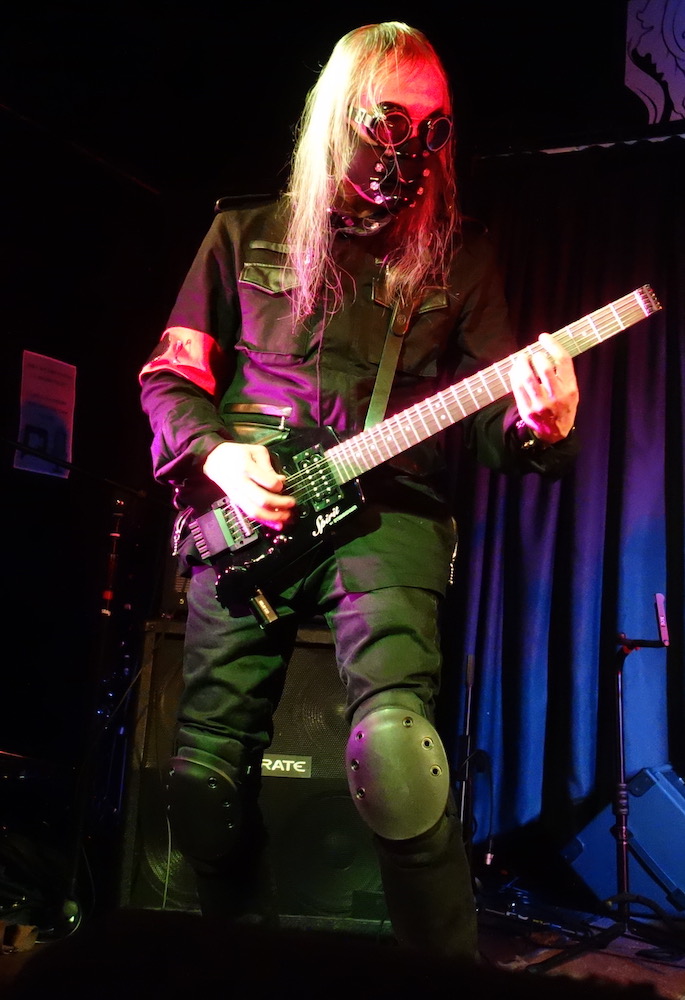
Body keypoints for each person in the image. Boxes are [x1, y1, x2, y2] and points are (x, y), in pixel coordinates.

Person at [138, 21, 579, 960]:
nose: (411, 149)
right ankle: (239, 967)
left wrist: (538, 425)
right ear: (341, 116)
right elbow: (170, 379)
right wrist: (217, 457)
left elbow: (496, 424)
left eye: (433, 128)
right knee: (201, 783)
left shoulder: (460, 258)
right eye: (389, 122)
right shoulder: (241, 233)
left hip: (388, 512)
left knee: (395, 756)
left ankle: (443, 979)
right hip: (245, 516)